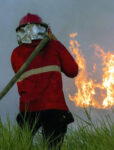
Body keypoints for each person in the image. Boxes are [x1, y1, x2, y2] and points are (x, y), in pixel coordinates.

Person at [11, 13, 78, 149]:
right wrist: (54, 40)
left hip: (28, 109)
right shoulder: (55, 46)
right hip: (54, 109)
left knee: (21, 146)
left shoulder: (16, 54)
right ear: (44, 29)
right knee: (52, 146)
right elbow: (72, 71)